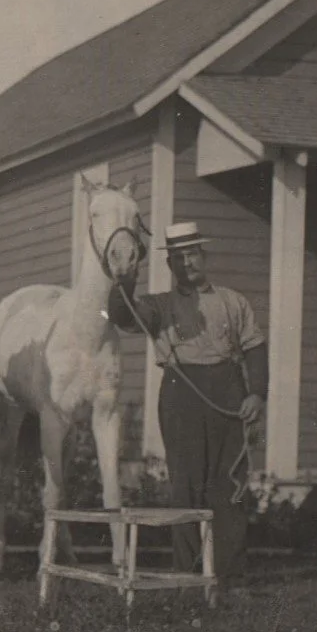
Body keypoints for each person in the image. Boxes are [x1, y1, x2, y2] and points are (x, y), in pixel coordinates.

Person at [106, 221, 267, 585]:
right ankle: (189, 574)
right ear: (169, 265)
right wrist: (125, 280)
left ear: (204, 256)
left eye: (192, 254)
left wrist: (257, 392)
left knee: (230, 481)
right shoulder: (158, 305)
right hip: (182, 392)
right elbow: (121, 315)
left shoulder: (232, 300)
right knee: (187, 483)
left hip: (228, 388)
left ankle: (229, 573)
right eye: (177, 258)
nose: (186, 263)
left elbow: (255, 346)